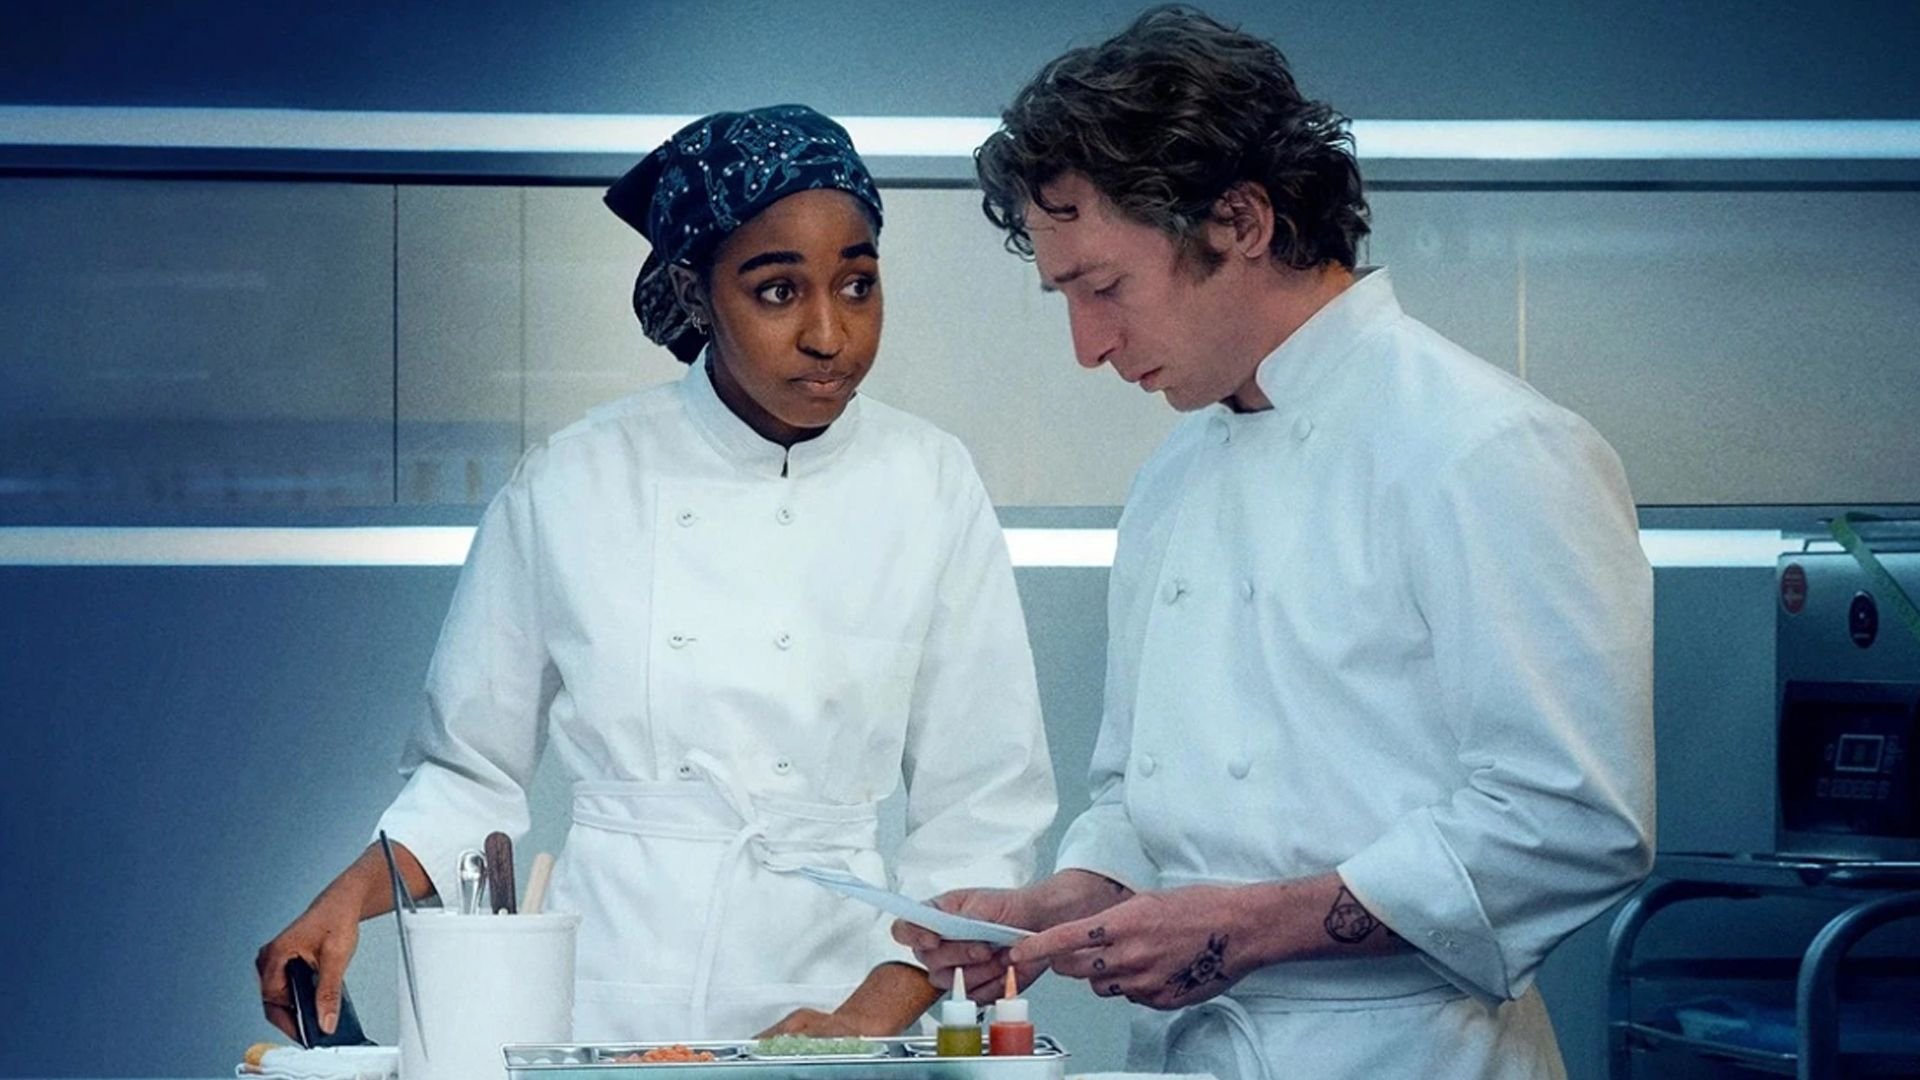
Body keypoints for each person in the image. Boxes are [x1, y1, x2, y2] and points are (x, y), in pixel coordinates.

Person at [897, 9, 1654, 1080]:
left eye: (1105, 288)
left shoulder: (1486, 447)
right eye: (1065, 298)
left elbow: (1572, 821)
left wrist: (1247, 928)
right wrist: (1064, 905)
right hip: (1189, 1053)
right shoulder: (1172, 478)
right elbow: (1141, 801)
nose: (1088, 347)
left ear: (1242, 220)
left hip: (1408, 1054)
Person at [256, 104, 1057, 1045]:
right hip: (609, 991)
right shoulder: (574, 479)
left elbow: (981, 809)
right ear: (693, 289)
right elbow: (471, 773)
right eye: (777, 291)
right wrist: (345, 901)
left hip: (846, 983)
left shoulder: (930, 484)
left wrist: (856, 1023)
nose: (829, 334)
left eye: (858, 284)